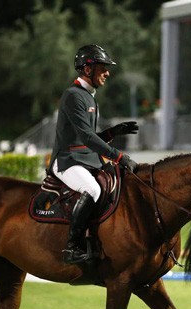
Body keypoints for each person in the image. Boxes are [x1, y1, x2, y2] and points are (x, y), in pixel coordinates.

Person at [49, 44, 139, 264]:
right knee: (92, 189)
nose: (107, 73)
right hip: (67, 160)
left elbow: (87, 138)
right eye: (103, 68)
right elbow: (87, 138)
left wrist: (112, 132)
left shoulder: (89, 97)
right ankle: (72, 248)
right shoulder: (73, 95)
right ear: (88, 69)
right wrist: (119, 156)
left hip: (84, 159)